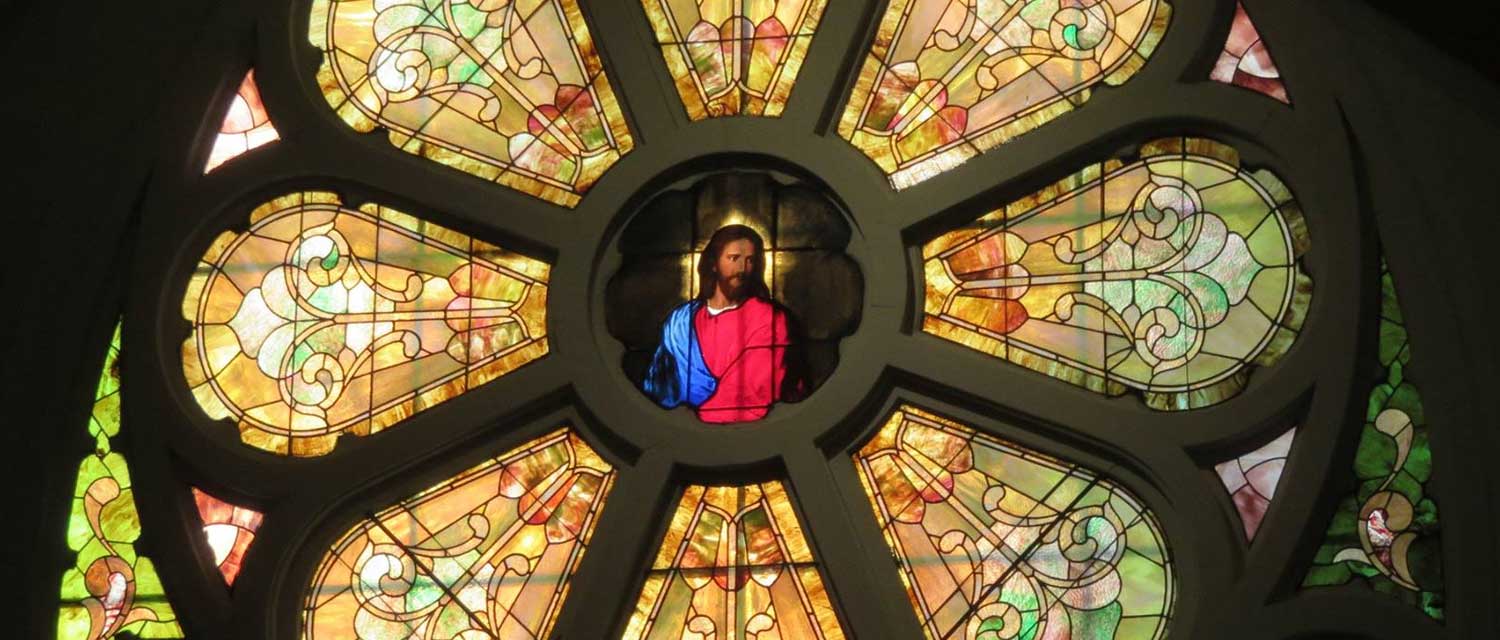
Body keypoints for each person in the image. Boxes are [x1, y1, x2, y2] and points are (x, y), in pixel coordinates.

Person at [643, 225, 802, 423]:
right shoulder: (680, 320)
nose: (743, 269)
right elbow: (660, 383)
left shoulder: (769, 318)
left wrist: (694, 429)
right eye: (734, 258)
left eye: (750, 260)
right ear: (713, 264)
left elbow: (750, 391)